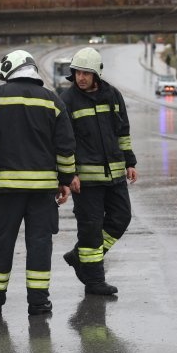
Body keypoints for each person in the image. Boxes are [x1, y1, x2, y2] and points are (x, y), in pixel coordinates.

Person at [0, 50, 75, 316]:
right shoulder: (53, 101)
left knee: (1, 242)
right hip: (43, 191)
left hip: (7, 191)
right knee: (40, 244)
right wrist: (64, 181)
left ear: (10, 71)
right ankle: (39, 303)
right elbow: (65, 147)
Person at [60, 47, 137, 296]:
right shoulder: (67, 100)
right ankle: (94, 281)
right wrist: (69, 174)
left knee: (121, 218)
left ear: (97, 74)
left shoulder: (113, 95)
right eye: (77, 73)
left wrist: (130, 162)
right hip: (85, 181)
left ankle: (80, 256)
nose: (81, 78)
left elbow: (122, 132)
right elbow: (62, 141)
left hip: (114, 174)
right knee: (91, 228)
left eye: (86, 73)